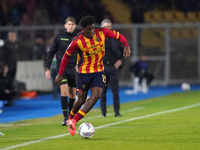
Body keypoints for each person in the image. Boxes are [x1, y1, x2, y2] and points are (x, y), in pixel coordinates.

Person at [55, 15, 131, 136]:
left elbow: (119, 36)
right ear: (83, 28)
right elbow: (66, 56)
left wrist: (126, 46)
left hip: (99, 71)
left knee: (96, 96)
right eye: (88, 29)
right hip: (84, 73)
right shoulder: (77, 40)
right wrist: (60, 74)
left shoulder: (102, 32)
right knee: (80, 99)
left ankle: (73, 121)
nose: (91, 32)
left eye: (93, 28)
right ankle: (71, 117)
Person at [45, 17, 77, 126]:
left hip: (73, 70)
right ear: (65, 25)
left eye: (72, 24)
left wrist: (80, 64)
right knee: (64, 92)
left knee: (73, 94)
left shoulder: (78, 38)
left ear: (75, 26)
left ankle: (71, 117)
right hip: (61, 70)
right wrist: (47, 68)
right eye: (69, 24)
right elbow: (50, 53)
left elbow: (83, 53)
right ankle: (65, 118)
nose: (70, 26)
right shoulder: (59, 37)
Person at [100, 19, 124, 117]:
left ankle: (117, 112)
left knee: (115, 91)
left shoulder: (116, 38)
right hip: (102, 68)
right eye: (105, 27)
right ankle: (103, 113)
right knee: (102, 92)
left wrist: (120, 60)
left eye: (109, 27)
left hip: (113, 68)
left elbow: (125, 50)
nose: (107, 28)